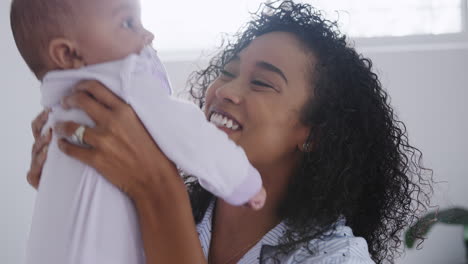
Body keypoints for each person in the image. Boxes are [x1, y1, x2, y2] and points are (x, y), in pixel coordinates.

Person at [27, 1, 433, 263]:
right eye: (228, 71)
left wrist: (158, 190)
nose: (226, 91)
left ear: (312, 135)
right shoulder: (160, 209)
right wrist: (79, 175)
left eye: (262, 83)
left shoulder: (336, 259)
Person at [10, 0, 266, 263]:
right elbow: (191, 134)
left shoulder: (58, 106)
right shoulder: (124, 81)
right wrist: (243, 181)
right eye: (128, 23)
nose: (148, 35)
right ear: (67, 54)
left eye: (262, 83)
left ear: (310, 134)